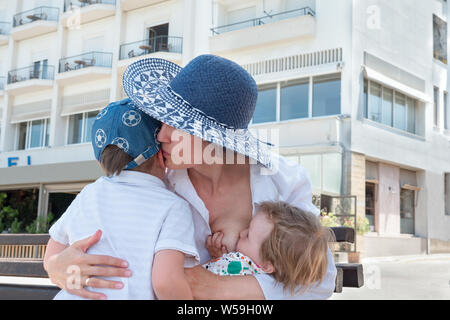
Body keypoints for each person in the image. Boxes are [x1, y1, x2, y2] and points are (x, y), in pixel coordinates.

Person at [45, 54, 337, 300]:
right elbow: (90, 242)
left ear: (212, 138)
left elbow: (320, 279)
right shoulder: (157, 182)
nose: (160, 135)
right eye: (162, 121)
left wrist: (213, 286)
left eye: (175, 124)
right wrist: (57, 267)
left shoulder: (281, 179)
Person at [44, 100, 199, 300]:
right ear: (161, 155)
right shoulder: (174, 206)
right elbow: (165, 282)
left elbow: (52, 257)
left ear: (100, 162)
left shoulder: (88, 194)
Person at [203, 201, 333, 296]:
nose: (241, 233)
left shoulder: (238, 263)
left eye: (248, 236)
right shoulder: (260, 277)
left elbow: (197, 281)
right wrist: (219, 258)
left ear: (266, 266)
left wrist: (217, 260)